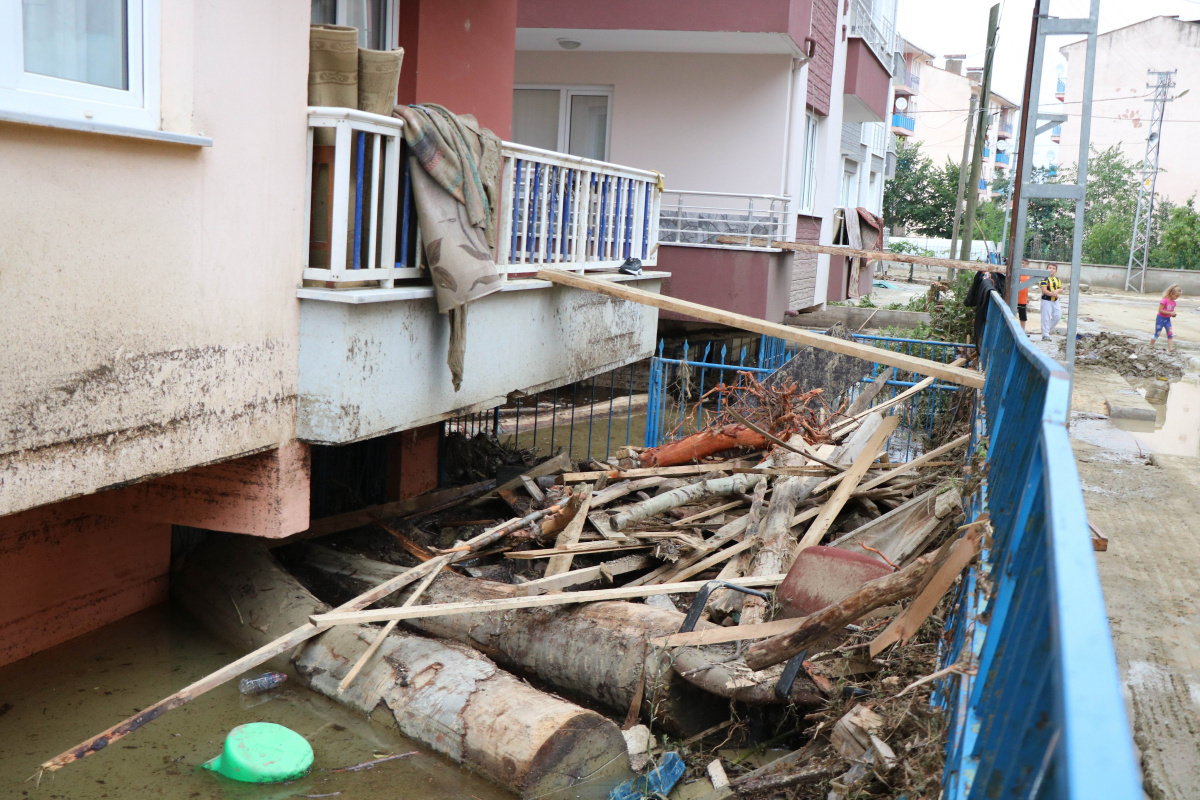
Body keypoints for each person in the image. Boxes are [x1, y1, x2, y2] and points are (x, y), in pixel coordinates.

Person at [1152, 284, 1182, 353]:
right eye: (1176, 296)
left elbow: (1171, 311)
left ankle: (1171, 349)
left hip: (1167, 320)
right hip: (1160, 319)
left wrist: (1173, 314)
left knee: (1170, 333)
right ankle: (1150, 346)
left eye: (1178, 296)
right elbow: (1160, 310)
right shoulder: (1164, 301)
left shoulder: (1174, 303)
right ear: (1171, 293)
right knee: (1157, 333)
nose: (1177, 297)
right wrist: (1170, 313)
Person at [1039, 263, 1062, 340]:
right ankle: (1045, 334)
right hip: (1046, 300)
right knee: (1046, 317)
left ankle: (1046, 330)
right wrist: (1054, 294)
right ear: (1047, 269)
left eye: (1053, 268)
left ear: (1056, 271)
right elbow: (1044, 290)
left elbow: (1061, 288)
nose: (1051, 269)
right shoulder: (1044, 279)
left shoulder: (1057, 279)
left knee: (1057, 316)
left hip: (1055, 301)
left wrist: (1057, 291)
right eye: (1050, 268)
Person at [1018, 260, 1031, 333]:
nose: (1024, 265)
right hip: (1015, 297)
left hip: (1023, 298)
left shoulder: (1027, 275)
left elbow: (1027, 287)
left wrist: (1027, 297)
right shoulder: (1016, 274)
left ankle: (1022, 331)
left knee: (1023, 316)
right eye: (1022, 263)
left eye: (1026, 264)